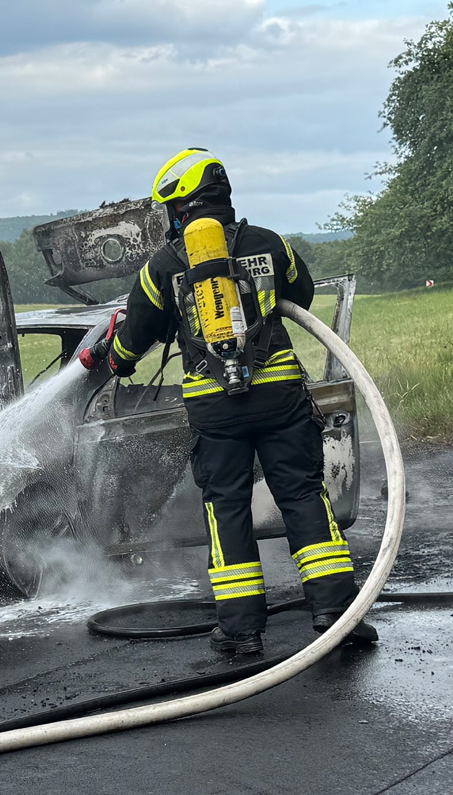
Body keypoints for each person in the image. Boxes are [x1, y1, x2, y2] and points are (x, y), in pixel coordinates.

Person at [87, 148, 377, 654]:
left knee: (227, 509)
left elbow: (134, 339)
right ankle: (335, 613)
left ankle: (241, 631)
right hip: (281, 397)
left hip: (215, 408)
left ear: (183, 206)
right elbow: (301, 298)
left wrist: (115, 360)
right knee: (305, 496)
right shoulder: (271, 243)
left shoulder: (163, 267)